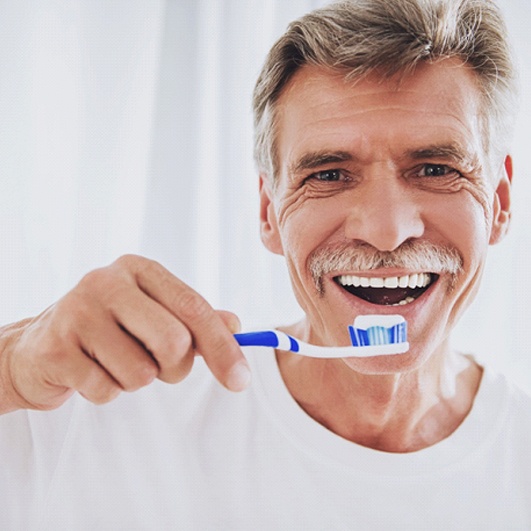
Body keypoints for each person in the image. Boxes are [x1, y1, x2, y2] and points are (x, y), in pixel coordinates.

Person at [1, 0, 530, 528]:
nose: (386, 230)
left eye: (435, 168)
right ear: (269, 212)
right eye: (328, 175)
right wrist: (12, 368)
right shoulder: (95, 407)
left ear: (500, 202)